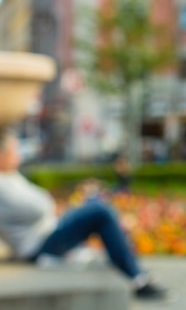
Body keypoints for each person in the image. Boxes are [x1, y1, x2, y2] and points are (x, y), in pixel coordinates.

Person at [0, 127, 168, 300]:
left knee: (96, 202)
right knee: (100, 212)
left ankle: (133, 268)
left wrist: (49, 204)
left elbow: (41, 205)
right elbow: (40, 207)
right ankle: (137, 279)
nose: (19, 154)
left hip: (48, 233)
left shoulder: (11, 177)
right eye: (14, 150)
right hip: (39, 247)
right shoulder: (2, 184)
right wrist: (48, 203)